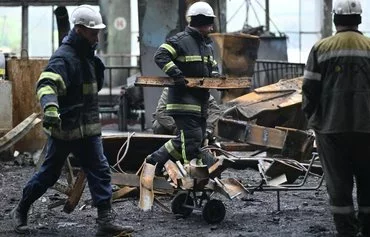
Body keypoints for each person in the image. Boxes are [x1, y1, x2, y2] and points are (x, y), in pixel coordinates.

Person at [10, 5, 134, 236]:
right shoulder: (64, 57)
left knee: (100, 171)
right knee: (48, 174)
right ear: (78, 30)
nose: (97, 36)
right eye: (92, 32)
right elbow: (46, 84)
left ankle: (105, 221)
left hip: (89, 131)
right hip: (66, 131)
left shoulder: (87, 57)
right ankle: (21, 209)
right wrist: (50, 107)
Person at [302, 1, 370, 236]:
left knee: (338, 184)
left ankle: (346, 230)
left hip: (331, 129)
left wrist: (313, 119)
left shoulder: (321, 48)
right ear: (359, 19)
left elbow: (309, 90)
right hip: (367, 129)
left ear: (335, 19)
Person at [146, 1, 219, 172]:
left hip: (199, 104)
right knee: (192, 141)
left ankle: (154, 162)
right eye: (210, 23)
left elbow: (212, 65)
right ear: (203, 22)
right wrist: (177, 75)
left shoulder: (205, 45)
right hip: (183, 103)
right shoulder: (180, 41)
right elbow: (161, 56)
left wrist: (216, 78)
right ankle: (190, 175)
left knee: (190, 139)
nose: (212, 27)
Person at [152, 87, 221, 141]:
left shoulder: (198, 88)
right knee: (158, 126)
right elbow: (160, 112)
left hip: (194, 125)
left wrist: (208, 128)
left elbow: (214, 110)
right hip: (176, 125)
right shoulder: (170, 89)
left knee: (209, 130)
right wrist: (175, 128)